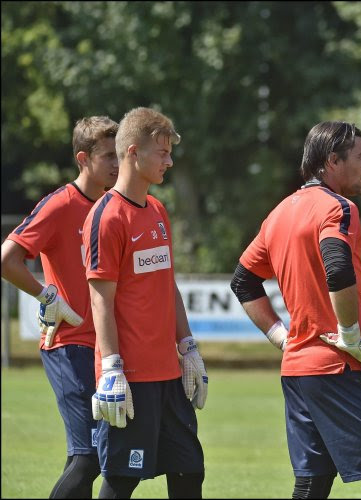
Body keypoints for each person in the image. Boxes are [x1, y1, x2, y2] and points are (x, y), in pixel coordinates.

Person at [230, 121, 361, 499]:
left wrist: (284, 339)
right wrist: (350, 335)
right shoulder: (338, 208)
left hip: (298, 371)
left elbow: (243, 282)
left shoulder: (279, 212)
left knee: (312, 484)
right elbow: (338, 266)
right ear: (332, 161)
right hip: (340, 366)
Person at [82, 107, 208, 499]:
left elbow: (166, 285)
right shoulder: (106, 217)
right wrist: (111, 369)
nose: (169, 161)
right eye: (162, 153)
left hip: (169, 377)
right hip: (130, 379)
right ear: (133, 153)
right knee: (122, 479)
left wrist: (188, 347)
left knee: (189, 472)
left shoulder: (157, 210)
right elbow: (101, 301)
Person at [1, 116, 119, 498]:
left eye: (119, 155)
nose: (117, 164)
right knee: (90, 456)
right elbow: (7, 260)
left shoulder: (113, 207)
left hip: (103, 348)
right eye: (107, 156)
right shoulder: (59, 204)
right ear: (82, 158)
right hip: (68, 345)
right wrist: (45, 296)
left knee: (90, 456)